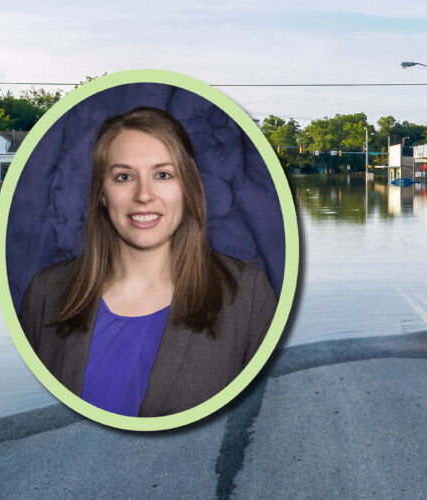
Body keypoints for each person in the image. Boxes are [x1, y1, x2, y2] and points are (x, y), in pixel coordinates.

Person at [18, 106, 277, 418]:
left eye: (163, 175)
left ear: (188, 188)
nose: (144, 195)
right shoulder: (46, 292)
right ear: (102, 193)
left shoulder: (246, 297)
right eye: (124, 176)